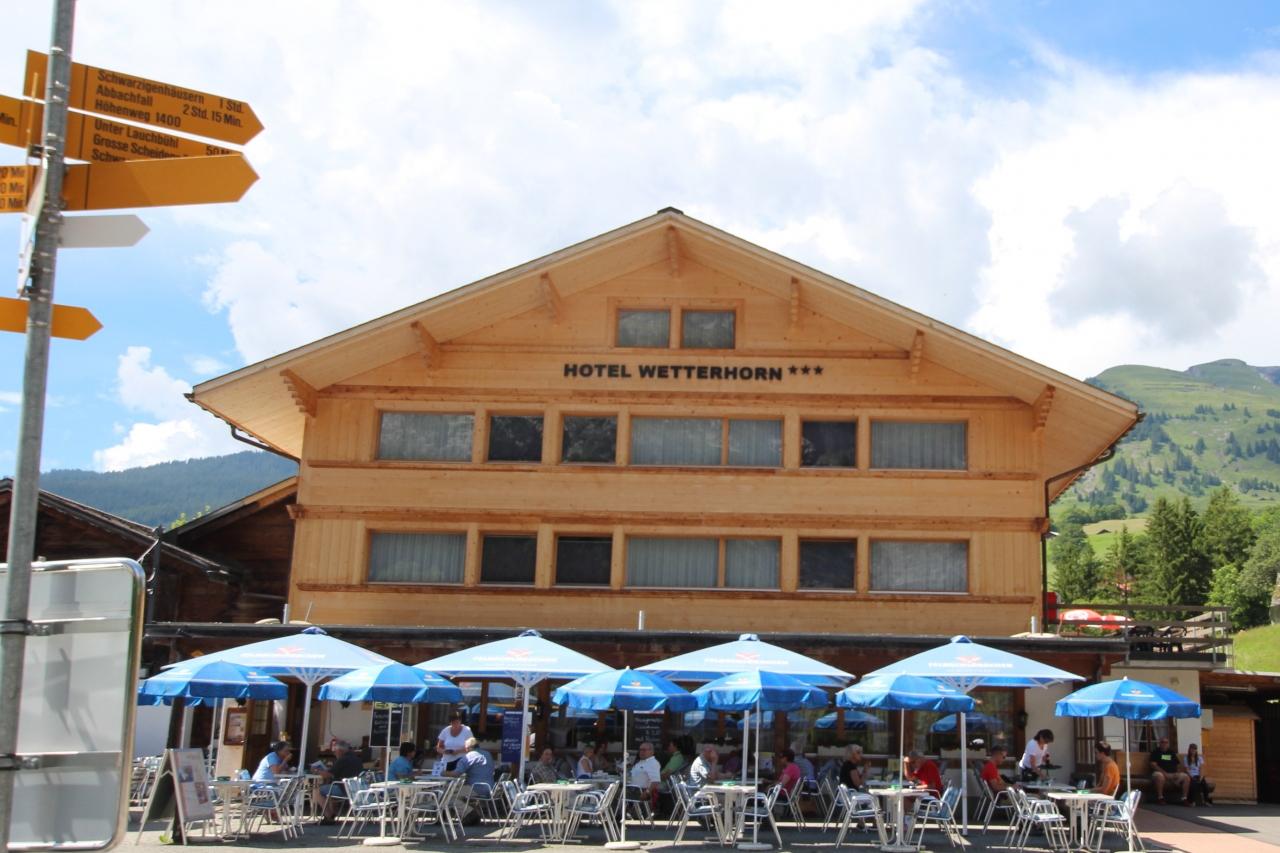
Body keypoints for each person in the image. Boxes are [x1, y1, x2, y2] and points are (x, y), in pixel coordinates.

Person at [446, 737, 494, 825]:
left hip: (475, 788)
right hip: (489, 788)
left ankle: (470, 814)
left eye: (465, 748)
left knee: (448, 796)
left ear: (468, 748)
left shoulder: (468, 757)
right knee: (458, 793)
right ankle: (473, 813)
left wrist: (443, 773)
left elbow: (456, 774)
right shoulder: (488, 754)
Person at [317, 740, 365, 822]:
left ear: (340, 750)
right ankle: (332, 813)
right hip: (356, 789)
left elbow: (329, 774)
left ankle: (328, 816)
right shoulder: (357, 759)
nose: (334, 753)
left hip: (345, 789)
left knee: (318, 791)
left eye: (335, 751)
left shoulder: (342, 760)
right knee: (330, 789)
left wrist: (317, 771)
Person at [1150, 736, 1190, 804]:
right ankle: (1160, 798)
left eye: (1166, 742)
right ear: (1159, 743)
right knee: (1159, 776)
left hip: (1172, 774)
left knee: (1186, 777)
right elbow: (1153, 765)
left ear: (1168, 744)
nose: (1164, 744)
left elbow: (1177, 764)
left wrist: (1177, 773)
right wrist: (1164, 773)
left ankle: (1184, 798)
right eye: (1162, 742)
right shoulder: (1155, 752)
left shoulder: (1171, 752)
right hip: (1160, 773)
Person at [629, 742, 663, 812]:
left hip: (641, 791)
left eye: (644, 750)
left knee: (615, 794)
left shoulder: (653, 763)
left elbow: (656, 781)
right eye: (640, 750)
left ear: (652, 752)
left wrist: (647, 792)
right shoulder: (641, 762)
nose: (641, 752)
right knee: (614, 792)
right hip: (632, 790)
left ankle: (614, 815)